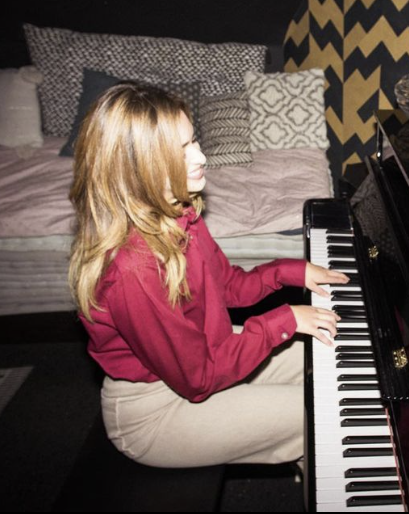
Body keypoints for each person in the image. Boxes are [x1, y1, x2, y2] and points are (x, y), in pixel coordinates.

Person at [68, 82, 347, 468]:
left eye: (193, 140)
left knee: (334, 359)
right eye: (179, 151)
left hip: (204, 350)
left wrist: (290, 272)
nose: (201, 156)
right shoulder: (133, 270)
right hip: (156, 410)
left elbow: (228, 286)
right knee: (324, 411)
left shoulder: (178, 215)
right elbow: (197, 378)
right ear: (136, 169)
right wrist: (283, 320)